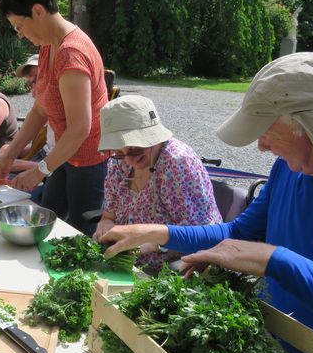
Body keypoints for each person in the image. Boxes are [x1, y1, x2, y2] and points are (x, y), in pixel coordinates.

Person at [98, 52, 313, 353]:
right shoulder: (288, 169)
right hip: (275, 349)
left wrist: (279, 261)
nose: (261, 146)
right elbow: (239, 233)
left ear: (310, 127)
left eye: (266, 130)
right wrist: (159, 233)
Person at [0, 0, 109, 235]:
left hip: (88, 161)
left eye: (18, 26)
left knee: (79, 236)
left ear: (37, 11)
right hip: (65, 155)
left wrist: (40, 171)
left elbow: (80, 127)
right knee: (44, 221)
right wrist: (11, 153)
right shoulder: (49, 45)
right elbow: (40, 109)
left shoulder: (72, 53)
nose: (20, 35)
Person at [93, 95, 222, 274]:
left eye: (135, 149)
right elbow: (109, 215)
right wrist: (105, 224)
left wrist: (153, 244)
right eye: (119, 151)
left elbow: (201, 236)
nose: (128, 160)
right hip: (123, 261)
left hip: (168, 271)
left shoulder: (177, 163)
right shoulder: (117, 162)